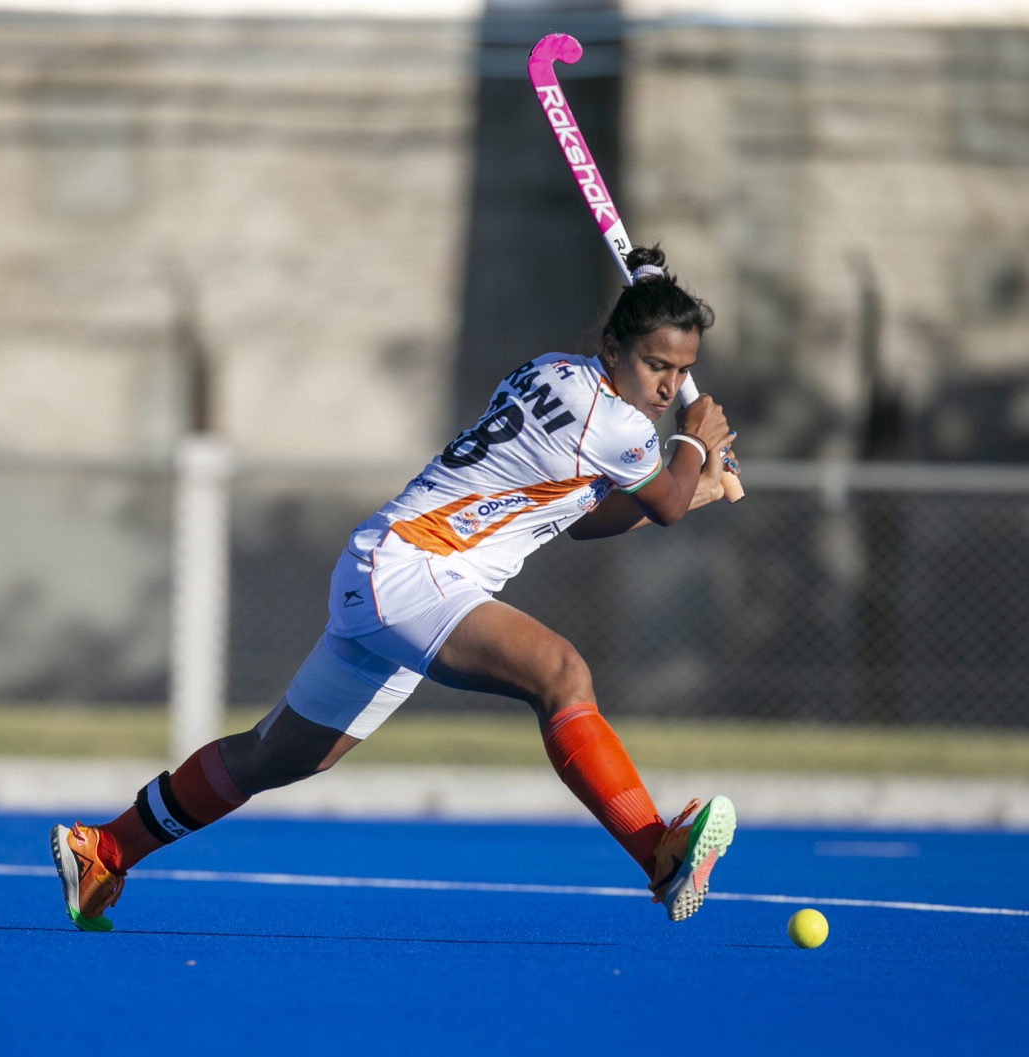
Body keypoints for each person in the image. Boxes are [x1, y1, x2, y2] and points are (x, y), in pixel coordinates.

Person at [51, 247, 743, 931]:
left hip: (393, 569)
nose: (667, 386)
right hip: (414, 571)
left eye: (681, 371)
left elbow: (586, 519)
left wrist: (700, 483)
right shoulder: (619, 426)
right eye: (656, 365)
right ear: (614, 349)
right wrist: (695, 438)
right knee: (561, 673)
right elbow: (664, 502)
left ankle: (106, 848)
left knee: (274, 757)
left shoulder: (555, 371)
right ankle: (657, 853)